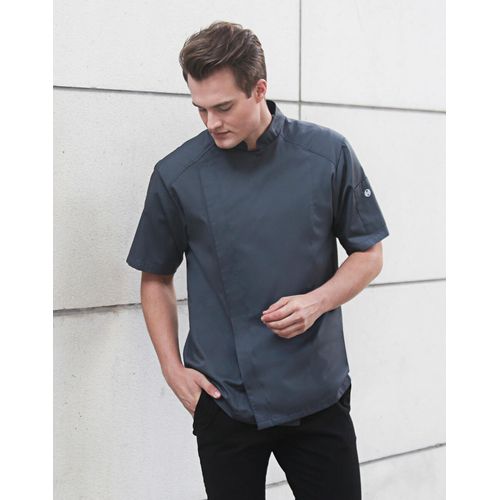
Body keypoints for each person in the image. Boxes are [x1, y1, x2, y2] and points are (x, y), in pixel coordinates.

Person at [126, 20, 389, 500]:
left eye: (223, 107)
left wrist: (316, 301)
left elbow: (368, 254)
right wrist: (172, 370)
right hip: (224, 402)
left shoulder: (327, 154)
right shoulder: (176, 175)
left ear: (259, 89)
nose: (211, 122)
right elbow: (155, 277)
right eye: (200, 108)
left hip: (317, 394)